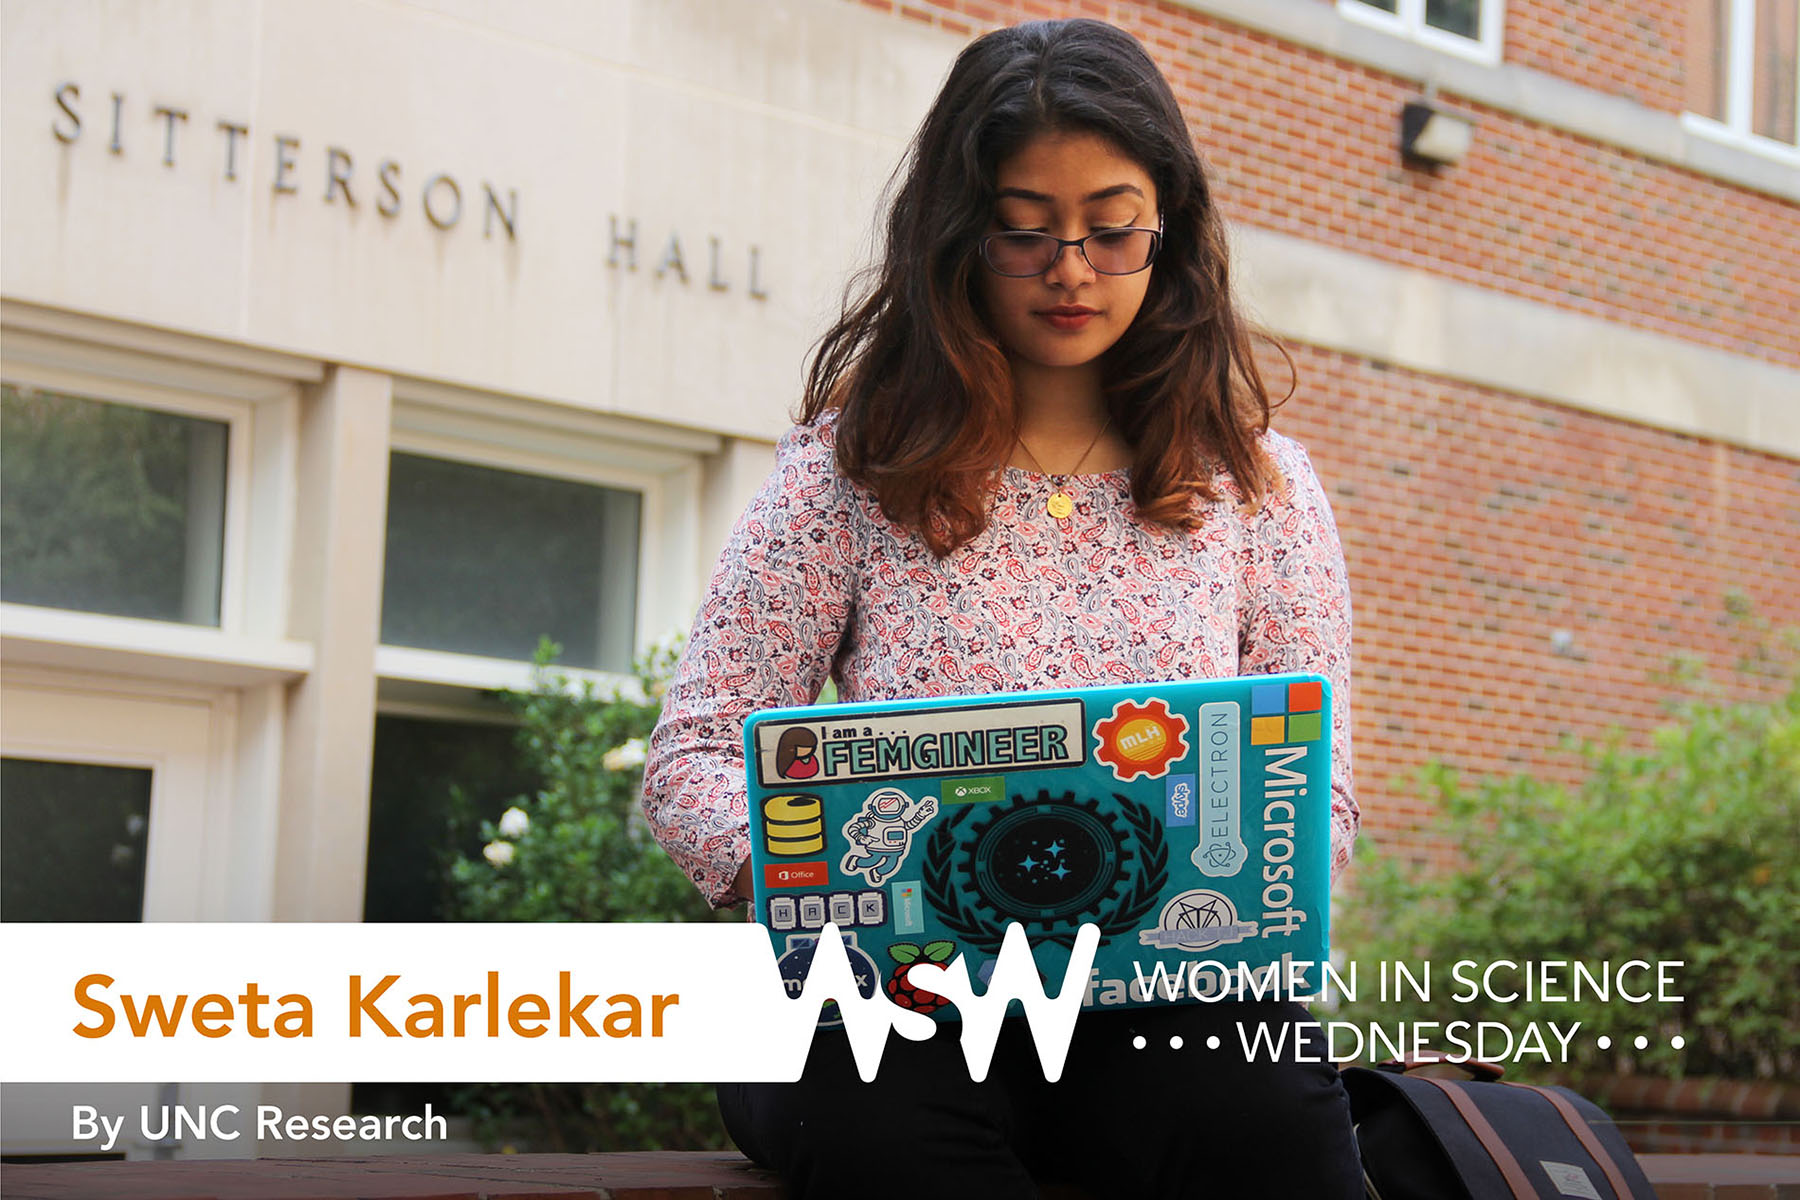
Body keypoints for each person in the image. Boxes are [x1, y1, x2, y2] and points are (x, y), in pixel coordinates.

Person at [643, 17, 1360, 1199]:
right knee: (896, 1114)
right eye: (1026, 231)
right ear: (959, 237)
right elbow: (697, 759)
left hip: (1158, 1006)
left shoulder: (1259, 491)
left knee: (1266, 1107)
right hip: (895, 1003)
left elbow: (1313, 794)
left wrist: (1243, 893)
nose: (1070, 268)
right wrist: (835, 875)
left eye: (1111, 227)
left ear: (1168, 228)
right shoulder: (851, 469)